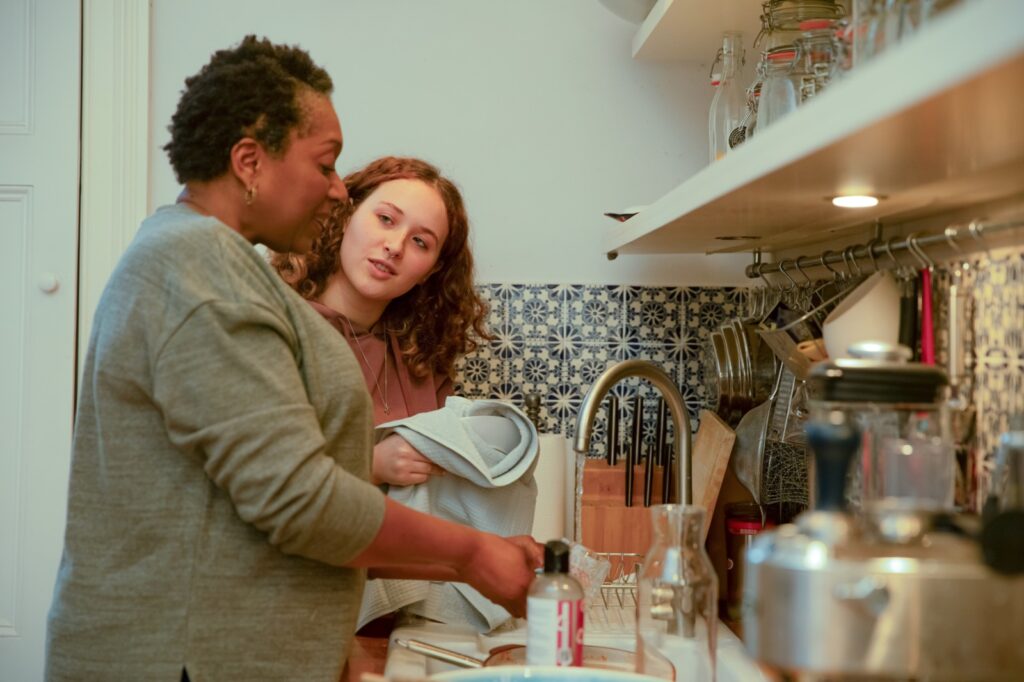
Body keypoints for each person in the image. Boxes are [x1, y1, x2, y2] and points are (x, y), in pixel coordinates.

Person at [44, 35, 541, 682]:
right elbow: (300, 500)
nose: (338, 190)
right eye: (325, 164)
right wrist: (473, 554)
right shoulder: (195, 267)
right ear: (250, 162)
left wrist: (472, 558)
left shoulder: (206, 263)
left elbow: (255, 521)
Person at [272, 156, 491, 487]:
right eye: (386, 219)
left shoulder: (421, 358)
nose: (395, 246)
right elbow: (248, 467)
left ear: (430, 271)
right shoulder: (276, 329)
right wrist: (369, 465)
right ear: (345, 215)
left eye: (421, 242)